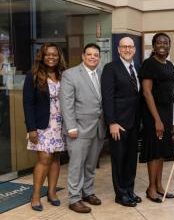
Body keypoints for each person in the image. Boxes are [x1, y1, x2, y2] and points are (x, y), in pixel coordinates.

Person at [60, 43, 106, 213]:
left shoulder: (102, 73)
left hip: (98, 127)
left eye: (96, 55)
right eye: (89, 54)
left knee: (91, 164)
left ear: (99, 57)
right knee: (76, 165)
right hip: (78, 129)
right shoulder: (70, 74)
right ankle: (74, 198)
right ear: (83, 56)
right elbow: (66, 103)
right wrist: (70, 126)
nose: (93, 57)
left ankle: (88, 192)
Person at [23, 43, 66, 211]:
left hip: (60, 124)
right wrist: (31, 128)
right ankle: (35, 195)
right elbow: (27, 103)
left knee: (55, 158)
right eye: (48, 54)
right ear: (42, 56)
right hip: (42, 125)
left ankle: (52, 192)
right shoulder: (33, 75)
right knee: (44, 159)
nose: (51, 57)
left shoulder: (63, 74)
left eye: (54, 54)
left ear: (59, 56)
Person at [101, 37, 141, 207]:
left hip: (134, 123)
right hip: (118, 123)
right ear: (118, 50)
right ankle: (121, 194)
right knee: (119, 159)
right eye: (124, 47)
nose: (127, 49)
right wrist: (111, 122)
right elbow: (107, 98)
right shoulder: (110, 68)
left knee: (131, 159)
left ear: (134, 49)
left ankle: (130, 190)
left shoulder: (137, 67)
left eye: (130, 47)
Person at [139, 32, 174, 203]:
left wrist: (171, 120)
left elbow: (170, 94)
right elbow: (147, 92)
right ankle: (151, 188)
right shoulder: (149, 64)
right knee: (154, 151)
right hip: (153, 113)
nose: (162, 45)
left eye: (166, 42)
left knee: (162, 151)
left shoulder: (169, 65)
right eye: (159, 42)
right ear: (153, 46)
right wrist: (157, 120)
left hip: (166, 112)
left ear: (169, 46)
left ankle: (160, 185)